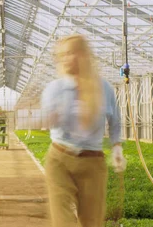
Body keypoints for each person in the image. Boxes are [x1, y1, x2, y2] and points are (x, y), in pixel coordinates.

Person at [41, 34, 126, 227]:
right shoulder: (55, 89)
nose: (65, 58)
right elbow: (47, 119)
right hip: (59, 159)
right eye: (61, 55)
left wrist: (117, 147)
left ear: (84, 55)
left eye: (71, 53)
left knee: (92, 221)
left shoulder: (104, 88)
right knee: (63, 220)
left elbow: (115, 121)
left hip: (92, 163)